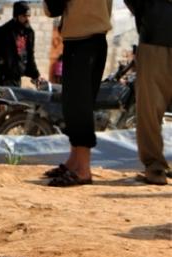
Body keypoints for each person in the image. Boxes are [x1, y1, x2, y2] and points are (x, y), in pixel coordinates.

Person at [43, 0, 113, 186]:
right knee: (79, 103)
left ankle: (83, 170)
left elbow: (53, 8)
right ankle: (74, 163)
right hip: (95, 39)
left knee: (78, 105)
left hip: (82, 39)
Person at [124, 0, 172, 185]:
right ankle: (155, 167)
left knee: (149, 109)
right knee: (150, 109)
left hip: (154, 34)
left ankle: (155, 167)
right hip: (154, 37)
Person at [0, 1, 42, 87]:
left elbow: (30, 55)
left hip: (16, 78)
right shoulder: (4, 31)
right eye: (24, 16)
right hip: (2, 77)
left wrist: (36, 75)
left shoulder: (28, 33)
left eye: (28, 16)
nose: (27, 19)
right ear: (16, 16)